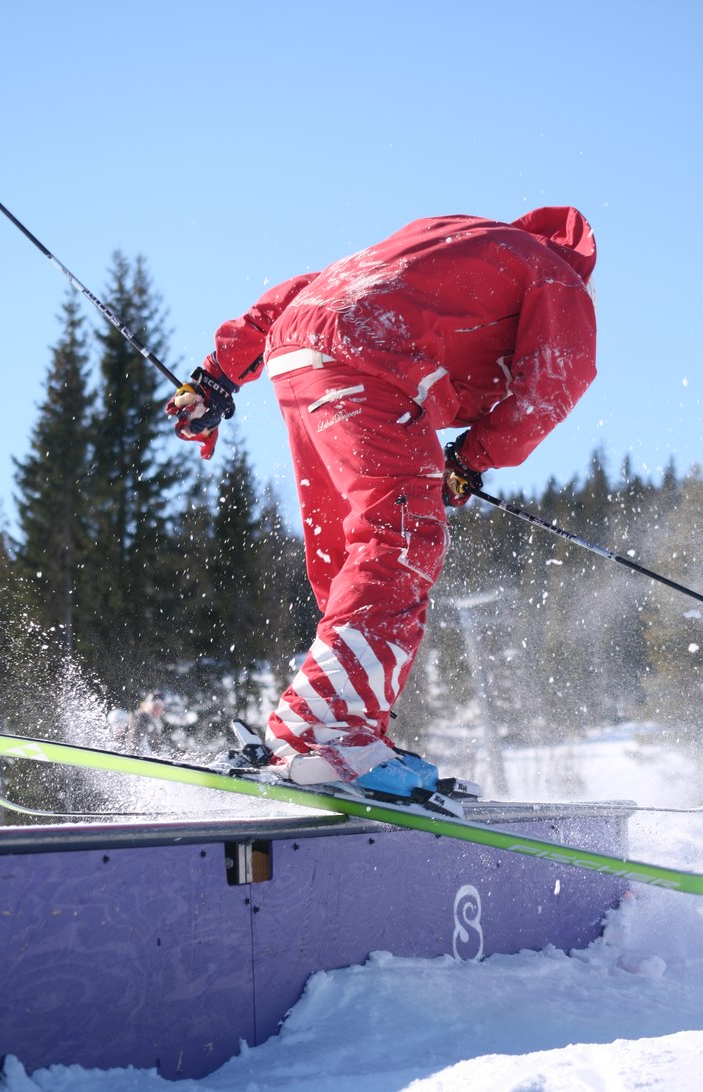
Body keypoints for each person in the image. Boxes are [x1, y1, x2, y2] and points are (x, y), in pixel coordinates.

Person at [166, 207, 597, 795]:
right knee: (401, 540)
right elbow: (554, 380)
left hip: (298, 354)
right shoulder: (556, 275)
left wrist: (218, 373)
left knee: (351, 555)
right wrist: (473, 458)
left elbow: (313, 286)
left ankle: (351, 727)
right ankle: (323, 731)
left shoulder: (452, 239)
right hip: (373, 363)